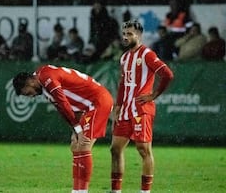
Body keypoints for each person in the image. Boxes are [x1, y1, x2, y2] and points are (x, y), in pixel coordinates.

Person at [12, 65, 113, 193]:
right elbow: (62, 108)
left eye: (27, 92)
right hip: (87, 107)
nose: (30, 96)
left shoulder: (47, 78)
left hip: (98, 101)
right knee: (75, 146)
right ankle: (76, 190)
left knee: (84, 145)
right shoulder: (42, 82)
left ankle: (82, 191)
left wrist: (80, 130)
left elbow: (63, 103)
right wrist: (75, 129)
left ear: (30, 82)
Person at [110, 20, 174, 193]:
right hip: (125, 110)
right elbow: (123, 83)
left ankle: (145, 192)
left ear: (139, 35)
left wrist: (153, 95)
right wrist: (118, 106)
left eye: (129, 34)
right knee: (115, 149)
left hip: (141, 109)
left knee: (143, 149)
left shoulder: (147, 54)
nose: (125, 37)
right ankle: (115, 191)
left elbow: (167, 74)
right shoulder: (124, 57)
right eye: (124, 33)